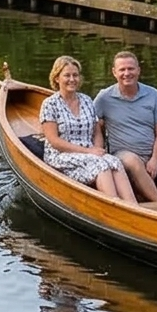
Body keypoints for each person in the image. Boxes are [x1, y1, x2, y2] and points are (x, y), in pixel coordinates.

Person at [92, 51, 157, 204]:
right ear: (114, 72)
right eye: (122, 70)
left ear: (138, 70)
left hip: (156, 152)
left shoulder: (152, 94)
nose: (127, 73)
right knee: (133, 161)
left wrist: (155, 159)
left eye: (131, 68)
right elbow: (90, 123)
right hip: (123, 154)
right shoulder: (104, 98)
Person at [33, 55, 134, 203]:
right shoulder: (50, 104)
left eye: (75, 75)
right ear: (57, 78)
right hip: (61, 155)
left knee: (114, 162)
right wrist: (88, 152)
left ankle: (133, 206)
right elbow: (54, 141)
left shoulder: (86, 100)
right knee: (100, 165)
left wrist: (98, 149)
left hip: (88, 153)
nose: (72, 79)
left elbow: (96, 131)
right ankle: (115, 205)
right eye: (67, 75)